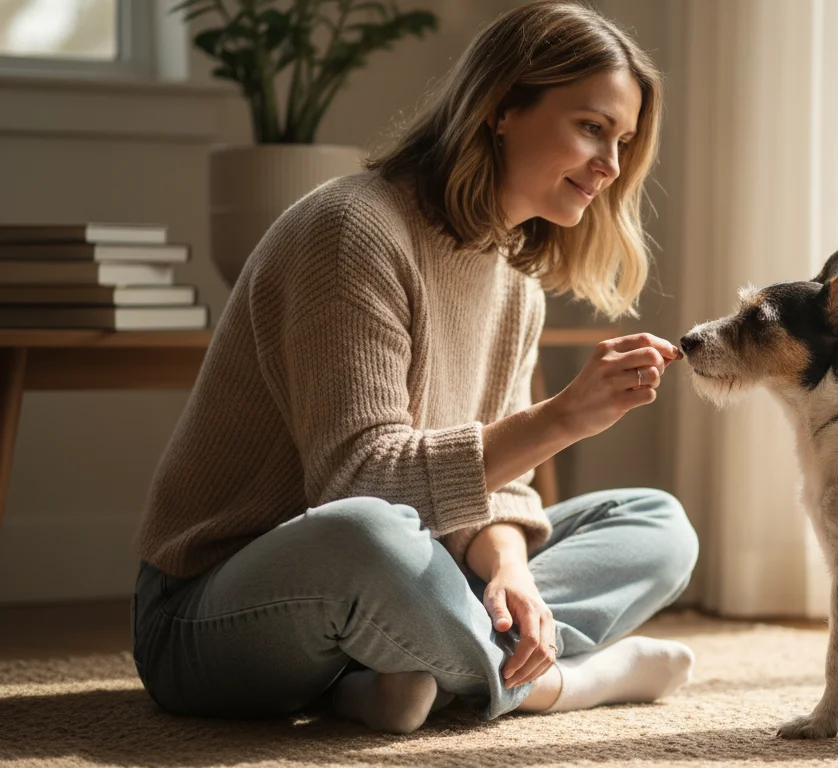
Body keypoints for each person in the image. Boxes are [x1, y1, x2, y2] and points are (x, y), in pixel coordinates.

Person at [131, 0, 699, 735]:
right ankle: (561, 682)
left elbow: (494, 489)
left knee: (656, 523)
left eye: (622, 140)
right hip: (210, 614)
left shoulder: (513, 276)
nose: (611, 166)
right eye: (592, 127)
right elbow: (356, 481)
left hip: (400, 574)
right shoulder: (352, 230)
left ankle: (394, 673)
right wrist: (559, 419)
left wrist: (509, 569)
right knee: (367, 535)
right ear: (500, 107)